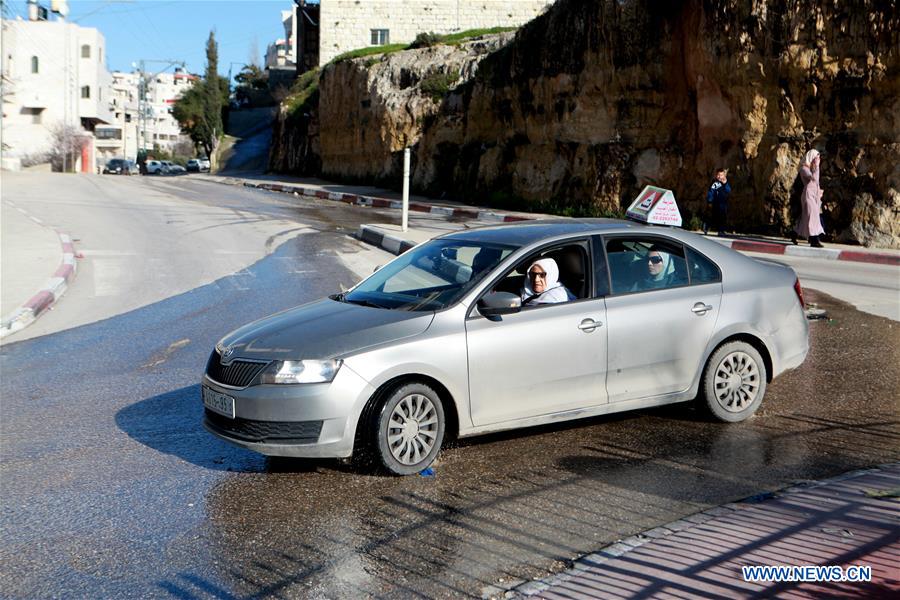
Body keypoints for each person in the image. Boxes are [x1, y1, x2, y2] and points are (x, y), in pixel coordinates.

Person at [793, 149, 825, 247]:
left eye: (818, 158)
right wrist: (817, 167)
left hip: (814, 195)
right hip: (808, 195)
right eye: (816, 157)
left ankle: (794, 234)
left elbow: (816, 183)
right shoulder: (804, 169)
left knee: (805, 218)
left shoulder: (812, 168)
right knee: (812, 217)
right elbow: (814, 179)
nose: (817, 160)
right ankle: (814, 240)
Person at [705, 168, 731, 236]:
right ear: (716, 176)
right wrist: (710, 201)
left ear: (724, 176)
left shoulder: (725, 184)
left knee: (722, 218)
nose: (720, 176)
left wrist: (725, 183)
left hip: (723, 204)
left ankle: (721, 231)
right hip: (715, 204)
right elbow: (711, 192)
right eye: (718, 175)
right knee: (713, 217)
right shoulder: (715, 183)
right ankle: (706, 227)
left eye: (721, 175)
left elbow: (728, 191)